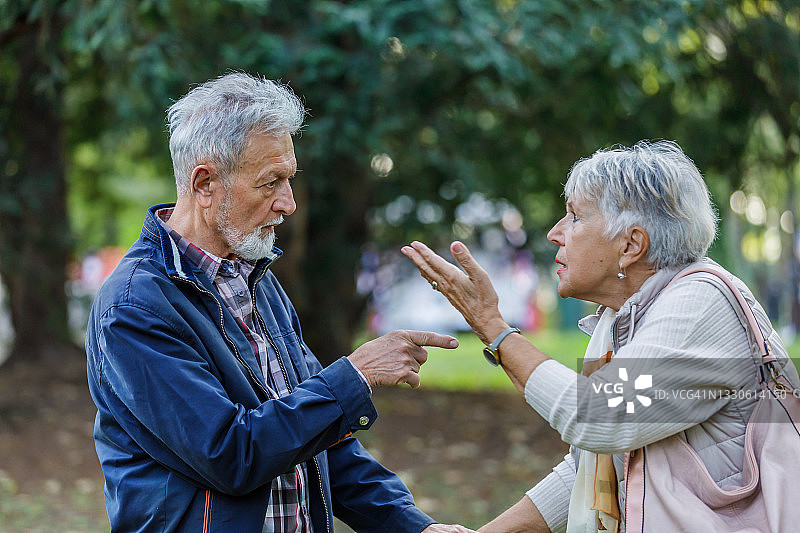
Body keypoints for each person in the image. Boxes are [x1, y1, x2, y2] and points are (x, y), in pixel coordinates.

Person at [85, 72, 475, 533]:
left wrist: (414, 527)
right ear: (205, 184)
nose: (288, 203)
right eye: (271, 182)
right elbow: (231, 455)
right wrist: (356, 374)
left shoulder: (256, 278)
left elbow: (321, 441)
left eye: (289, 179)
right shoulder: (135, 306)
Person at [402, 140, 800, 532]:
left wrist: (494, 327)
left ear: (631, 245)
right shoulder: (618, 317)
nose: (555, 234)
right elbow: (590, 465)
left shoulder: (700, 303)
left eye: (575, 217)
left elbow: (598, 416)